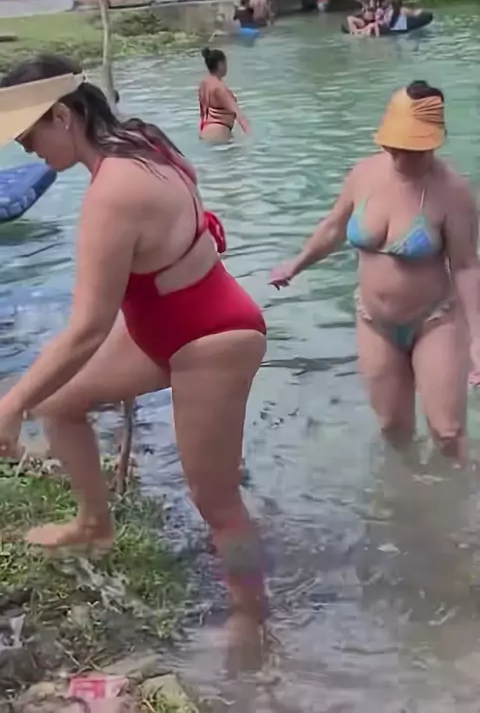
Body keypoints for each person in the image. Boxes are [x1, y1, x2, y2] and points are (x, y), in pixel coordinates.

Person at [0, 54, 267, 659]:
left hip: (212, 337)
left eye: (29, 135)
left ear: (62, 117)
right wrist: (31, 398)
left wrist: (11, 404)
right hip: (165, 324)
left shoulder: (113, 191)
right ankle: (94, 524)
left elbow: (87, 329)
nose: (25, 149)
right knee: (60, 403)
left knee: (217, 502)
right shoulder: (141, 138)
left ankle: (252, 618)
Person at [271, 81, 480, 459]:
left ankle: (461, 495)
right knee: (391, 429)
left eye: (409, 147)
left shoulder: (453, 192)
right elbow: (333, 228)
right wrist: (297, 263)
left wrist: (477, 337)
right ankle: (406, 493)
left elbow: (465, 266)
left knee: (447, 432)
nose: (397, 153)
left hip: (435, 320)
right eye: (393, 144)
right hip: (374, 321)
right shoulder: (364, 174)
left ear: (432, 142)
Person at [198, 48, 249, 143]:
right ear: (220, 64)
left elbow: (202, 114)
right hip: (219, 134)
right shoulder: (220, 88)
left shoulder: (203, 85)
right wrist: (251, 139)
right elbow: (239, 116)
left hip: (204, 132)